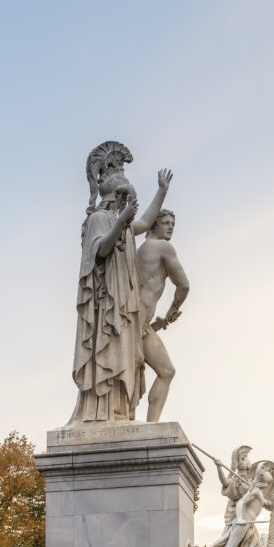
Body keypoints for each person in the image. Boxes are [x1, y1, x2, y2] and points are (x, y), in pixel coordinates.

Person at [70, 166, 172, 423]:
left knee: (125, 357)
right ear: (118, 195)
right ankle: (102, 412)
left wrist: (162, 191)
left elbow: (147, 222)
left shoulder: (123, 225)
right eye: (125, 197)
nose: (128, 202)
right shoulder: (100, 219)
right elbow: (101, 249)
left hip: (123, 306)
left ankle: (120, 411)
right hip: (107, 307)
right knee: (110, 355)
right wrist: (120, 221)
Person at [135, 210, 189, 422]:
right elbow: (184, 285)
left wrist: (161, 322)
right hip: (136, 323)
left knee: (166, 371)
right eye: (165, 222)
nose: (170, 227)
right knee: (165, 371)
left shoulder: (142, 249)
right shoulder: (162, 247)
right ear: (153, 225)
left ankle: (150, 427)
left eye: (173, 224)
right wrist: (172, 311)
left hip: (140, 323)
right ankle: (151, 424)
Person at [203, 461, 274, 547]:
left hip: (250, 525)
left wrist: (272, 504)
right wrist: (239, 518)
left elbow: (266, 505)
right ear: (264, 482)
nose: (268, 485)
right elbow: (241, 503)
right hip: (243, 524)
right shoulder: (255, 491)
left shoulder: (258, 493)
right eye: (268, 483)